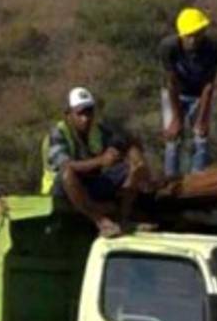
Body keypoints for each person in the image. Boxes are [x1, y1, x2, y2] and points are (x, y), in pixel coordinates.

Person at [41, 86, 150, 237]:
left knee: (133, 167)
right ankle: (100, 220)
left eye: (89, 112)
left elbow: (127, 141)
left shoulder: (98, 130)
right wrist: (101, 161)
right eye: (80, 114)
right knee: (68, 174)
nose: (86, 118)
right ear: (68, 115)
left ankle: (123, 219)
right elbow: (66, 166)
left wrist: (137, 159)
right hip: (61, 191)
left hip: (90, 184)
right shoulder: (58, 134)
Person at [160, 7, 217, 178]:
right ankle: (170, 180)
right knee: (173, 137)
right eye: (189, 35)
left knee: (201, 136)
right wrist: (176, 118)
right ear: (181, 35)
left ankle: (198, 178)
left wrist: (202, 118)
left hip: (200, 94)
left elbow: (209, 85)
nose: (193, 39)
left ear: (204, 31)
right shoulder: (169, 48)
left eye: (198, 34)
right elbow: (171, 82)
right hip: (174, 93)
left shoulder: (213, 49)